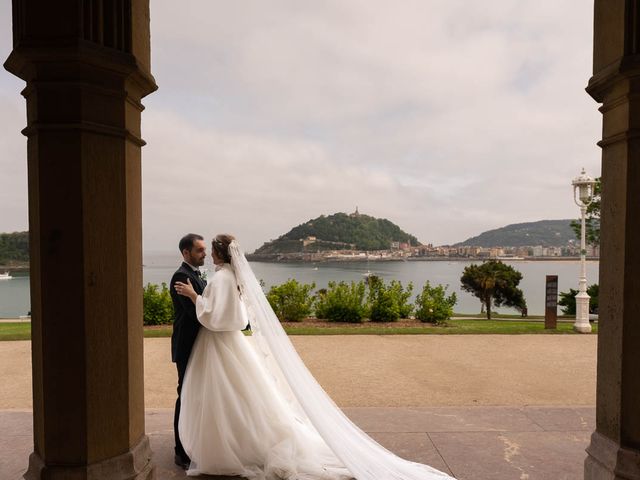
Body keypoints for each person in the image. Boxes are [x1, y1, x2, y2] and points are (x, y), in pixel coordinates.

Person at [174, 234, 454, 480]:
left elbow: (219, 317)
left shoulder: (222, 277)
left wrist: (195, 297)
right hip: (226, 345)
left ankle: (227, 446)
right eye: (202, 251)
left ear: (220, 254)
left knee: (223, 397)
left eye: (209, 251)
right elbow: (232, 314)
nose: (207, 255)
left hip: (219, 343)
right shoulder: (229, 277)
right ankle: (232, 441)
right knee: (237, 397)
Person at [169, 233, 207, 469]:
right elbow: (195, 315)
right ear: (186, 253)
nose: (204, 254)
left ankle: (194, 442)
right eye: (200, 250)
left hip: (199, 344)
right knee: (184, 394)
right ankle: (180, 451)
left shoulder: (194, 274)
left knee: (196, 394)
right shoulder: (182, 277)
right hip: (187, 345)